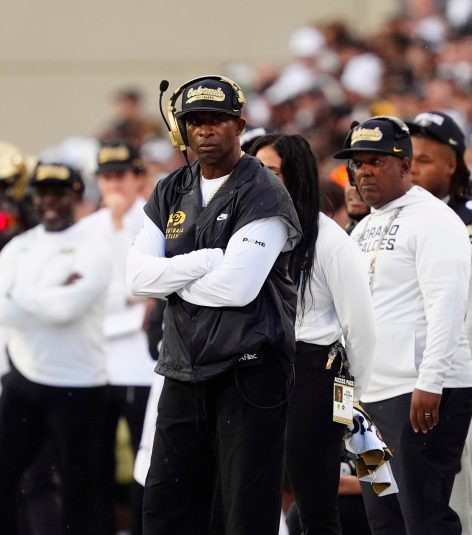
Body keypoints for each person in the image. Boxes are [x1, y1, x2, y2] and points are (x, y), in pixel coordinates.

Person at [126, 75, 302, 535]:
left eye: (216, 120)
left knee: (243, 513)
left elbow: (237, 289)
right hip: (182, 369)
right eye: (195, 121)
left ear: (239, 125)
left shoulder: (264, 190)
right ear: (181, 130)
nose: (205, 130)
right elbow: (137, 277)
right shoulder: (170, 188)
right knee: (165, 510)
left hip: (249, 374)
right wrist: (205, 261)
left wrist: (170, 279)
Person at [334, 115, 472, 535]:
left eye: (376, 161)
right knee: (384, 518)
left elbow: (447, 306)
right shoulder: (362, 228)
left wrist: (431, 381)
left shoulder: (435, 219)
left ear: (405, 165)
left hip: (417, 394)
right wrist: (345, 399)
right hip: (365, 404)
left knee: (423, 517)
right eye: (357, 163)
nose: (364, 172)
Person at [250, 133, 375, 535]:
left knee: (316, 502)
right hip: (256, 368)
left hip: (315, 372)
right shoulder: (249, 234)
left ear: (296, 175)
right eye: (255, 170)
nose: (260, 179)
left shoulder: (330, 240)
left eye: (271, 172)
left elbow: (361, 325)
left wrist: (355, 397)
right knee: (251, 496)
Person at [0, 162, 112, 535]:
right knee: (6, 476)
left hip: (80, 385)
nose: (49, 200)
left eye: (59, 193)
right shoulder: (20, 246)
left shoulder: (94, 246)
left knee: (80, 488)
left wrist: (20, 295)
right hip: (24, 379)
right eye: (43, 193)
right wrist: (50, 293)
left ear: (75, 196)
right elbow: (2, 309)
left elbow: (67, 309)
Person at [407, 110, 472, 535]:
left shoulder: (469, 219)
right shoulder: (393, 220)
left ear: (452, 164)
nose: (412, 168)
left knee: (457, 480)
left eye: (424, 160)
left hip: (456, 376)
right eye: (408, 159)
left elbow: (469, 314)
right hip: (404, 377)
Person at [82, 140, 155, 535]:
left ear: (137, 177)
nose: (113, 183)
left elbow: (150, 283)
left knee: (146, 456)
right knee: (95, 460)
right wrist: (127, 297)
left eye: (120, 175)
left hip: (141, 363)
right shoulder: (88, 228)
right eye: (106, 176)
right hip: (97, 360)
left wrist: (132, 295)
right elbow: (85, 288)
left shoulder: (152, 220)